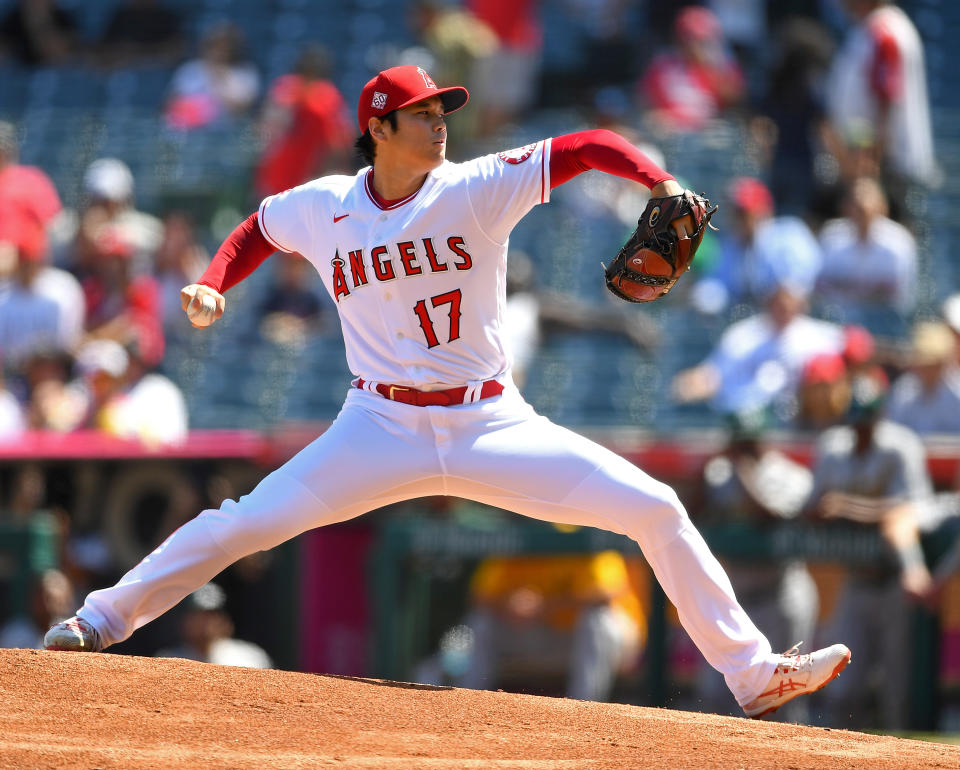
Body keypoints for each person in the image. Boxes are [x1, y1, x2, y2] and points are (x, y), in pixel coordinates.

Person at [44, 64, 850, 720]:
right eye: (424, 113)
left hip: (491, 420)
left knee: (656, 509)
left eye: (444, 111)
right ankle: (98, 620)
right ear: (380, 128)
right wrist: (215, 281)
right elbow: (259, 224)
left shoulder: (473, 187)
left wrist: (657, 176)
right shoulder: (327, 205)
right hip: (377, 424)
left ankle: (751, 674)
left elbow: (590, 144)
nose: (441, 124)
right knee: (242, 523)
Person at [805, 373, 931, 730]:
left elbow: (915, 508)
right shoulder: (833, 446)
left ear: (880, 417)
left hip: (894, 583)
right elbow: (811, 508)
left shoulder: (901, 445)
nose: (860, 430)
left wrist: (848, 506)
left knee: (898, 690)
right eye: (855, 422)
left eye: (867, 422)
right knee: (844, 688)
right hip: (855, 580)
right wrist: (827, 509)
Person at [692, 410, 818, 722]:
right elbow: (690, 512)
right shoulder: (719, 473)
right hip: (737, 600)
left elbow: (769, 517)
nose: (743, 451)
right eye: (738, 444)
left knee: (785, 694)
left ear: (762, 441)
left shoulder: (789, 474)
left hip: (782, 595)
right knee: (715, 696)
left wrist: (741, 470)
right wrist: (707, 468)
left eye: (749, 443)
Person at [445, 549, 644, 702]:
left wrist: (545, 605)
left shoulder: (582, 520)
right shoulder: (521, 527)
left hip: (607, 644)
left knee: (597, 620)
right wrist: (509, 603)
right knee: (481, 622)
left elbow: (607, 593)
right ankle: (470, 705)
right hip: (541, 637)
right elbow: (480, 595)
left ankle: (585, 709)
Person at [824, 1, 936, 212]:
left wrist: (872, 161)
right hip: (868, 161)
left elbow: (886, 98)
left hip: (884, 166)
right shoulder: (870, 28)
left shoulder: (885, 31)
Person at [673, 281, 845, 418]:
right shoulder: (744, 335)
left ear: (800, 306)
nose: (783, 310)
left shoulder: (815, 335)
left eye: (789, 304)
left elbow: (855, 346)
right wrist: (689, 385)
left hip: (798, 419)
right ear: (769, 304)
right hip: (746, 420)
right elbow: (712, 375)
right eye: (778, 304)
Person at [689, 177, 823, 315]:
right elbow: (717, 285)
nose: (736, 218)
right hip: (756, 323)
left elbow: (799, 287)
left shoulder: (789, 234)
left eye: (742, 213)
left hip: (794, 318)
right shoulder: (730, 246)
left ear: (763, 211)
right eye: (734, 212)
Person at [254, 45, 353, 199]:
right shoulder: (286, 88)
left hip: (308, 171)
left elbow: (338, 143)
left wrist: (323, 174)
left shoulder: (327, 96)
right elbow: (267, 128)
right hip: (280, 168)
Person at [816, 177, 917, 317]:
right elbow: (821, 289)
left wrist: (848, 289)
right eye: (855, 205)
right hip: (838, 316)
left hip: (885, 320)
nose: (860, 212)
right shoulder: (831, 236)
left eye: (864, 208)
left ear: (882, 207)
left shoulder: (898, 243)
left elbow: (897, 296)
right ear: (845, 207)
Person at [639, 6, 745, 134]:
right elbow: (645, 102)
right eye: (688, 38)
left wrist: (709, 68)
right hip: (672, 135)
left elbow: (736, 101)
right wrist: (659, 117)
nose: (693, 44)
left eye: (700, 39)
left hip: (711, 134)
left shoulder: (722, 64)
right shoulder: (663, 64)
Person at [155, 582, 272, 668]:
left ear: (225, 621)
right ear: (185, 622)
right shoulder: (166, 661)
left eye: (212, 614)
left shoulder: (250, 658)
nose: (206, 623)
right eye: (199, 615)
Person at [884, 321, 960, 436]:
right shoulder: (903, 391)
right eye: (925, 364)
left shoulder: (957, 393)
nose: (928, 369)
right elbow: (893, 431)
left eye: (934, 364)